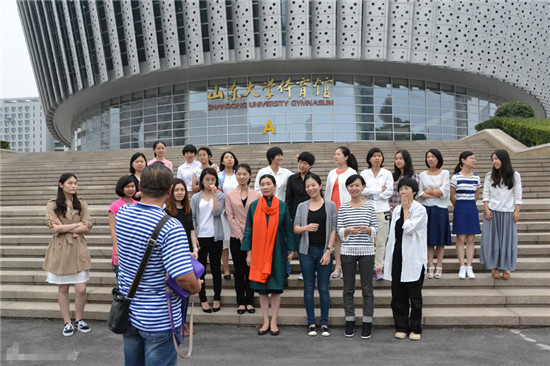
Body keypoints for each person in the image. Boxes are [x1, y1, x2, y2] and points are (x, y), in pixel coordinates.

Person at [116, 163, 201, 365]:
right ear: (170, 190)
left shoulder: (123, 214)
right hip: (158, 317)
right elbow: (182, 276)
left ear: (140, 187)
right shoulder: (171, 226)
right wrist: (196, 287)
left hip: (128, 311)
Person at [242, 174, 297, 336]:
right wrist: (249, 253)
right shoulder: (253, 206)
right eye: (262, 184)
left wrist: (291, 249)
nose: (265, 187)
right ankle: (265, 320)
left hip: (278, 252)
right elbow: (248, 231)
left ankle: (274, 321)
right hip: (258, 253)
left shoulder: (282, 206)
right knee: (262, 289)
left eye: (268, 184)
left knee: (275, 288)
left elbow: (288, 229)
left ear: (274, 186)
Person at [44, 173, 93, 337]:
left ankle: (79, 319)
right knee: (63, 287)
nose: (74, 186)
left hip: (78, 247)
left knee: (81, 288)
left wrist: (65, 227)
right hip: (61, 248)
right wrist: (76, 224)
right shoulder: (52, 205)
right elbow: (54, 229)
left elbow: (87, 227)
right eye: (70, 183)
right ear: (61, 185)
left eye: (75, 183)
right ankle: (67, 322)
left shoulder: (82, 204)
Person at [383, 177, 428, 341]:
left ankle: (415, 328)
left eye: (407, 188)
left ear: (414, 191)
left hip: (413, 257)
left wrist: (407, 211)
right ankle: (401, 326)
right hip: (397, 255)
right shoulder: (396, 210)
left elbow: (409, 229)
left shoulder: (420, 210)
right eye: (401, 189)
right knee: (398, 295)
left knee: (414, 296)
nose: (403, 192)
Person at [293, 173, 337, 337]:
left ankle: (324, 323)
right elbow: (295, 228)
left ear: (320, 185)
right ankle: (311, 322)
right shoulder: (302, 206)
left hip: (324, 251)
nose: (310, 188)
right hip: (306, 252)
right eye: (307, 186)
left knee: (324, 288)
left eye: (313, 185)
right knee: (308, 288)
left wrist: (329, 251)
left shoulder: (330, 205)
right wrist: (306, 228)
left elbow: (333, 229)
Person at [337, 174, 378, 339]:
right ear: (347, 188)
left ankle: (367, 322)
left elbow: (376, 229)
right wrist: (347, 231)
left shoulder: (369, 207)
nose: (354, 188)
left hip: (367, 252)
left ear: (362, 187)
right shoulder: (343, 207)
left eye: (357, 185)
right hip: (347, 252)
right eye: (351, 186)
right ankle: (350, 321)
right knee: (348, 289)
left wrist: (368, 230)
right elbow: (339, 230)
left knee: (367, 289)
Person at [165, 178, 199, 337]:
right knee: (175, 290)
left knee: (186, 292)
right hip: (173, 255)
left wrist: (194, 248)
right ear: (171, 192)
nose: (180, 193)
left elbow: (191, 230)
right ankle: (176, 322)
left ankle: (183, 321)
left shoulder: (187, 209)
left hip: (188, 254)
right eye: (177, 190)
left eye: (182, 190)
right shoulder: (166, 210)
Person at [225, 164, 261, 315]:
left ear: (250, 175)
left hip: (253, 237)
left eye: (244, 174)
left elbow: (258, 217)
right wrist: (241, 236)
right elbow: (230, 216)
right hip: (235, 238)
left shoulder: (257, 195)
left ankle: (250, 301)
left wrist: (248, 236)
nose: (241, 177)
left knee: (251, 270)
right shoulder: (230, 195)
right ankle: (241, 301)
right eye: (238, 174)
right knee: (239, 271)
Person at [481, 150, 522, 280]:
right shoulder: (489, 176)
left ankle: (507, 267)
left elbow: (518, 195)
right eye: (493, 159)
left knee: (508, 241)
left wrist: (517, 211)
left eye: (497, 159)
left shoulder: (515, 176)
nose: (494, 161)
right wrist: (486, 209)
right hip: (492, 212)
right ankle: (494, 267)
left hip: (508, 212)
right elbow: (485, 194)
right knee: (492, 241)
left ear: (504, 159)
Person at [191, 167, 225, 312]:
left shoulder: (221, 196)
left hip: (216, 236)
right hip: (201, 237)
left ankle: (217, 297)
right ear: (202, 181)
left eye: (212, 179)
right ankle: (203, 298)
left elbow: (217, 212)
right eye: (207, 179)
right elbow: (192, 218)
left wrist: (215, 194)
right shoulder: (195, 197)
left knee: (216, 269)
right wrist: (194, 238)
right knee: (201, 270)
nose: (210, 182)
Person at [418, 149, 452, 279]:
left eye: (433, 157)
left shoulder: (445, 173)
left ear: (438, 158)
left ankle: (439, 265)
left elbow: (444, 192)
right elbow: (420, 193)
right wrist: (435, 192)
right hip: (427, 210)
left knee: (440, 241)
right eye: (428, 157)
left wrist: (430, 192)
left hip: (440, 209)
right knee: (428, 240)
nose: (430, 159)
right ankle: (430, 265)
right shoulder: (422, 175)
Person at [360, 147, 393, 280]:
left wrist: (372, 195)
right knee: (368, 241)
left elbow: (389, 192)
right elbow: (361, 191)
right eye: (374, 156)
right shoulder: (364, 173)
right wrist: (380, 190)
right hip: (367, 210)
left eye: (379, 155)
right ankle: (368, 267)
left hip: (382, 210)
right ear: (369, 158)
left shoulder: (387, 173)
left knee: (380, 242)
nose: (377, 158)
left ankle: (378, 268)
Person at [326, 146, 358, 279]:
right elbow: (328, 191)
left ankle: (347, 267)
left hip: (347, 208)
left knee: (348, 238)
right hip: (333, 207)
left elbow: (355, 190)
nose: (335, 156)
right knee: (337, 239)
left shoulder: (352, 172)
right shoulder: (331, 173)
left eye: (338, 154)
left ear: (346, 157)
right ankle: (337, 266)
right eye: (335, 154)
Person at [450, 151, 482, 279]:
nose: (474, 160)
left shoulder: (476, 177)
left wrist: (469, 205)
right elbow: (452, 196)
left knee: (470, 239)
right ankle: (462, 266)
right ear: (463, 160)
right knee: (460, 238)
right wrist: (458, 206)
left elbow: (477, 195)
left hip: (471, 208)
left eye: (474, 158)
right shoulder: (455, 177)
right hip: (460, 208)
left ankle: (469, 266)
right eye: (471, 158)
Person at [285, 151, 315, 281]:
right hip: (296, 216)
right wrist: (289, 217)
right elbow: (289, 199)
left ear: (310, 166)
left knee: (312, 244)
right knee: (298, 245)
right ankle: (303, 270)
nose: (302, 165)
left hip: (312, 214)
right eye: (300, 162)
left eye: (305, 163)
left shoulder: (313, 178)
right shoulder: (292, 179)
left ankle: (313, 270)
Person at [108, 176, 137, 277]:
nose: (130, 189)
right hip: (121, 249)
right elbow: (113, 229)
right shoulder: (115, 206)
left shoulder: (138, 205)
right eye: (127, 186)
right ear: (121, 188)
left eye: (132, 186)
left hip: (135, 250)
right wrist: (117, 252)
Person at [218, 151, 239, 280]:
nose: (229, 159)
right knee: (225, 242)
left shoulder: (239, 174)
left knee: (237, 240)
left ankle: (238, 267)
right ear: (222, 161)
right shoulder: (219, 176)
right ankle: (226, 269)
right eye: (226, 157)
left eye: (231, 157)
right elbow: (219, 194)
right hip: (224, 212)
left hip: (238, 212)